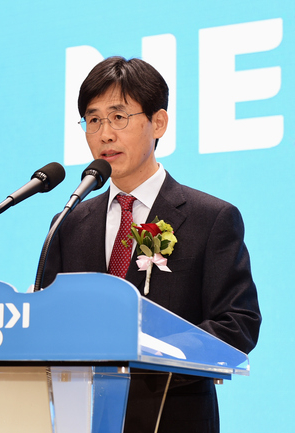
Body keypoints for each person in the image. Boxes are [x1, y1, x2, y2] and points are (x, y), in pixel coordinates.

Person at [42, 56, 261, 433]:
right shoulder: (69, 223)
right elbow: (49, 320)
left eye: (118, 117)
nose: (105, 134)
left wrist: (150, 350)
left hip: (173, 418)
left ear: (158, 122)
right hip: (83, 418)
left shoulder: (211, 218)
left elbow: (237, 323)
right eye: (93, 120)